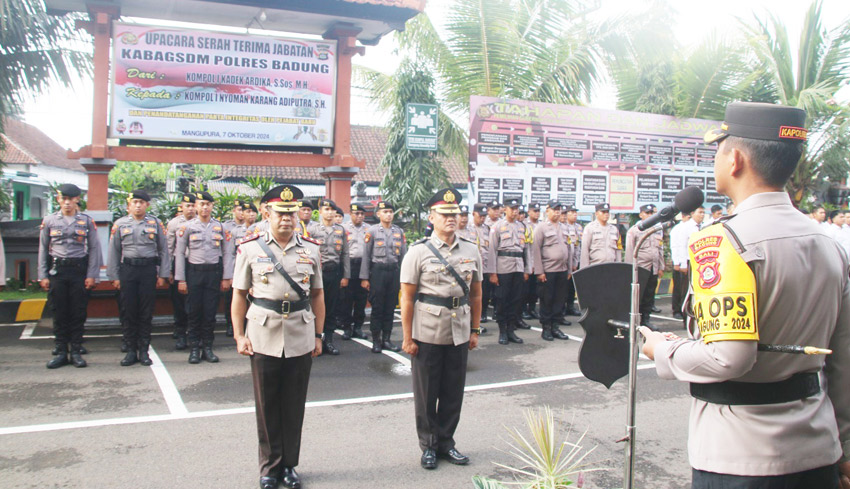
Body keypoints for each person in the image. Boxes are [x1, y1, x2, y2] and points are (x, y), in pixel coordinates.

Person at [641, 101, 850, 489]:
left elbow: (729, 358)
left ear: (734, 159)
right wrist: (844, 448)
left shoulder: (721, 241)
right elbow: (844, 359)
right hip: (818, 448)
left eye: (718, 149)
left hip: (740, 457)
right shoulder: (830, 243)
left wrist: (661, 349)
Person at [231, 184, 324, 489]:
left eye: (291, 212)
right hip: (263, 332)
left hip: (300, 330)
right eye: (280, 212)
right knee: (267, 403)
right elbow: (239, 296)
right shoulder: (250, 248)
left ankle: (289, 466)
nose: (287, 218)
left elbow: (319, 295)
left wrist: (319, 335)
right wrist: (239, 336)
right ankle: (270, 466)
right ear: (266, 212)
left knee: (294, 403)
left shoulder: (311, 249)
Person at [400, 187, 482, 470]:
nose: (451, 218)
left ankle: (447, 442)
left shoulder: (471, 249)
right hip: (427, 331)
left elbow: (476, 295)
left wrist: (475, 330)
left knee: (452, 391)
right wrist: (407, 337)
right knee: (426, 394)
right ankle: (429, 446)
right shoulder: (418, 251)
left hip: (459, 328)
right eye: (445, 213)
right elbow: (407, 298)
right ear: (432, 217)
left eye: (455, 213)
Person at [39, 184, 102, 369]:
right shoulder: (49, 221)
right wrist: (42, 275)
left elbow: (94, 249)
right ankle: (60, 352)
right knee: (59, 312)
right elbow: (43, 249)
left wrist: (92, 274)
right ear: (58, 199)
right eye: (63, 199)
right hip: (57, 271)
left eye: (70, 199)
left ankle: (75, 350)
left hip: (78, 271)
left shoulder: (86, 221)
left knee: (78, 312)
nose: (67, 203)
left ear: (77, 200)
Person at [106, 190, 170, 366]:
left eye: (142, 202)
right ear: (129, 205)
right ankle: (130, 350)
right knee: (128, 311)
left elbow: (163, 250)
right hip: (128, 271)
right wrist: (114, 276)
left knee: (146, 312)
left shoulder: (155, 224)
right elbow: (114, 251)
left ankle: (144, 350)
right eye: (135, 202)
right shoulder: (119, 224)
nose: (138, 205)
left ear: (147, 205)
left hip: (148, 271)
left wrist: (163, 274)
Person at [174, 191, 234, 364]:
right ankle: (194, 349)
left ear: (212, 206)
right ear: (196, 206)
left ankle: (208, 347)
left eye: (208, 204)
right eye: (201, 204)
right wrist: (181, 279)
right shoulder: (187, 227)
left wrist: (226, 277)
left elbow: (227, 253)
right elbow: (179, 253)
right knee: (194, 312)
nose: (205, 207)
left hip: (213, 274)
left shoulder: (220, 227)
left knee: (210, 312)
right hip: (194, 273)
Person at [360, 201, 407, 353]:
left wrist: (403, 278)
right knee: (378, 307)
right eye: (385, 212)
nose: (388, 214)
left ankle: (387, 339)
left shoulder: (398, 232)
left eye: (390, 212)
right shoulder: (372, 231)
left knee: (390, 307)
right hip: (378, 273)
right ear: (378, 214)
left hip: (393, 272)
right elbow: (366, 256)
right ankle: (376, 340)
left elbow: (403, 257)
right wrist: (365, 278)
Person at [305, 198, 349, 355]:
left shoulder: (341, 230)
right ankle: (313, 339)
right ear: (320, 212)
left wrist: (346, 276)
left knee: (331, 307)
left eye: (332, 210)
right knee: (314, 305)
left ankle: (328, 340)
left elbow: (345, 254)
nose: (330, 213)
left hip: (334, 272)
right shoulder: (312, 230)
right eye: (326, 210)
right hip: (317, 272)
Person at [486, 199, 531, 345]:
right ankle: (502, 331)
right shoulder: (497, 226)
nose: (515, 211)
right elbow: (492, 250)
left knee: (516, 299)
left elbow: (526, 250)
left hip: (518, 266)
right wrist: (492, 272)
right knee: (502, 300)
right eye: (512, 208)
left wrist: (527, 269)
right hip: (503, 268)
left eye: (517, 208)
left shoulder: (522, 226)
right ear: (505, 209)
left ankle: (511, 330)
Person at [531, 200, 571, 341]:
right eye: (554, 209)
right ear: (547, 211)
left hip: (562, 269)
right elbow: (535, 250)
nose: (557, 212)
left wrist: (569, 269)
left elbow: (569, 249)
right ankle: (546, 328)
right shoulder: (541, 227)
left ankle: (555, 327)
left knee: (560, 299)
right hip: (548, 270)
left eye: (559, 209)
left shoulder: (564, 227)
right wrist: (539, 271)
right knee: (547, 300)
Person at [624, 204, 664, 331]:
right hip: (640, 268)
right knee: (638, 296)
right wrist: (630, 269)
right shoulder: (635, 230)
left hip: (653, 266)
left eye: (652, 213)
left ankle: (646, 320)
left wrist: (661, 266)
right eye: (647, 213)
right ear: (641, 214)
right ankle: (635, 321)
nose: (650, 215)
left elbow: (660, 249)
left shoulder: (657, 229)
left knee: (649, 295)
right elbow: (630, 251)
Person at [167, 193, 196, 350]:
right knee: (179, 302)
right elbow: (169, 248)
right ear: (182, 207)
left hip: (196, 265)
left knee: (193, 302)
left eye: (193, 205)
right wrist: (169, 272)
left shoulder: (202, 223)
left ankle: (192, 333)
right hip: (179, 264)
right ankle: (180, 333)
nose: (190, 209)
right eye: (187, 206)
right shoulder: (174, 224)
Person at [339, 203, 369, 340]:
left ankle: (358, 327)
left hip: (362, 265)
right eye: (357, 214)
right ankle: (347, 327)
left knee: (361, 298)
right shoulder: (343, 228)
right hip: (348, 265)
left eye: (362, 214)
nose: (360, 216)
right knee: (346, 299)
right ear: (350, 214)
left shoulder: (369, 229)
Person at [669, 212, 699, 321]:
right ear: (683, 217)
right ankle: (677, 310)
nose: (690, 219)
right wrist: (677, 262)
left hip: (690, 261)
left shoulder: (695, 227)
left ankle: (685, 311)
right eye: (688, 217)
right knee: (679, 288)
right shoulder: (678, 229)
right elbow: (676, 246)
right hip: (681, 261)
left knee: (687, 289)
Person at [222, 200, 245, 337]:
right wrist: (228, 274)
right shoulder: (226, 227)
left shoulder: (253, 228)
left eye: (244, 210)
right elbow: (228, 252)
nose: (241, 213)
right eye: (239, 210)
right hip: (234, 268)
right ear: (234, 211)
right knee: (230, 298)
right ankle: (230, 324)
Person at [580, 203, 622, 267]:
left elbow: (618, 250)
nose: (606, 214)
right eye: (603, 212)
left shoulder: (614, 229)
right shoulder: (590, 228)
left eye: (607, 212)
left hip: (611, 266)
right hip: (595, 266)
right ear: (596, 213)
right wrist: (584, 270)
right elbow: (584, 250)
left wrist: (619, 266)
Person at [472, 203, 493, 328]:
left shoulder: (487, 228)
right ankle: (473, 323)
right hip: (472, 268)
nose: (483, 218)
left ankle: (482, 315)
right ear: (474, 214)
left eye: (485, 216)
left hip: (484, 266)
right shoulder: (468, 228)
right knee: (473, 295)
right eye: (480, 215)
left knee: (484, 293)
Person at [522, 202, 541, 320]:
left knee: (535, 289)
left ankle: (532, 308)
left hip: (537, 261)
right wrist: (529, 265)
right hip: (527, 262)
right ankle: (523, 309)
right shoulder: (524, 224)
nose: (537, 213)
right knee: (525, 289)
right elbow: (525, 248)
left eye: (538, 211)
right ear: (529, 212)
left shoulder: (542, 225)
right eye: (535, 211)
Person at [562, 205, 582, 317]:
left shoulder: (578, 227)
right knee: (563, 287)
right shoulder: (563, 227)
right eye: (572, 212)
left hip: (574, 261)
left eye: (575, 212)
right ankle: (562, 307)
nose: (574, 215)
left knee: (572, 287)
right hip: (564, 262)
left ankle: (570, 306)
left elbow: (578, 246)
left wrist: (575, 262)